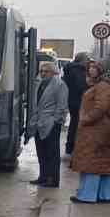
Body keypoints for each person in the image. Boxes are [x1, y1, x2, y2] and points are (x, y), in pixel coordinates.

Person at [70, 59, 110, 203]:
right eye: (90, 67)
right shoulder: (100, 85)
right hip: (98, 129)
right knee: (102, 162)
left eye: (95, 67)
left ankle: (87, 195)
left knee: (90, 162)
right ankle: (104, 194)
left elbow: (101, 107)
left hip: (96, 130)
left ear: (101, 70)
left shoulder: (102, 86)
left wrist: (86, 119)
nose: (91, 70)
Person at [28, 58, 68, 188]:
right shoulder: (39, 84)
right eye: (41, 71)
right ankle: (43, 176)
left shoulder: (60, 85)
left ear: (53, 72)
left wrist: (56, 121)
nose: (43, 73)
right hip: (39, 124)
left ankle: (53, 179)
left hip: (51, 124)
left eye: (46, 71)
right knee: (41, 152)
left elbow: (62, 106)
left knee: (52, 153)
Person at [64, 51, 90, 154]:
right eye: (87, 59)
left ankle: (70, 146)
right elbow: (80, 86)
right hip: (78, 100)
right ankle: (72, 146)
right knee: (76, 124)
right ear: (82, 60)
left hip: (72, 100)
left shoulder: (71, 68)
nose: (88, 61)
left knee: (74, 123)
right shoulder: (78, 70)